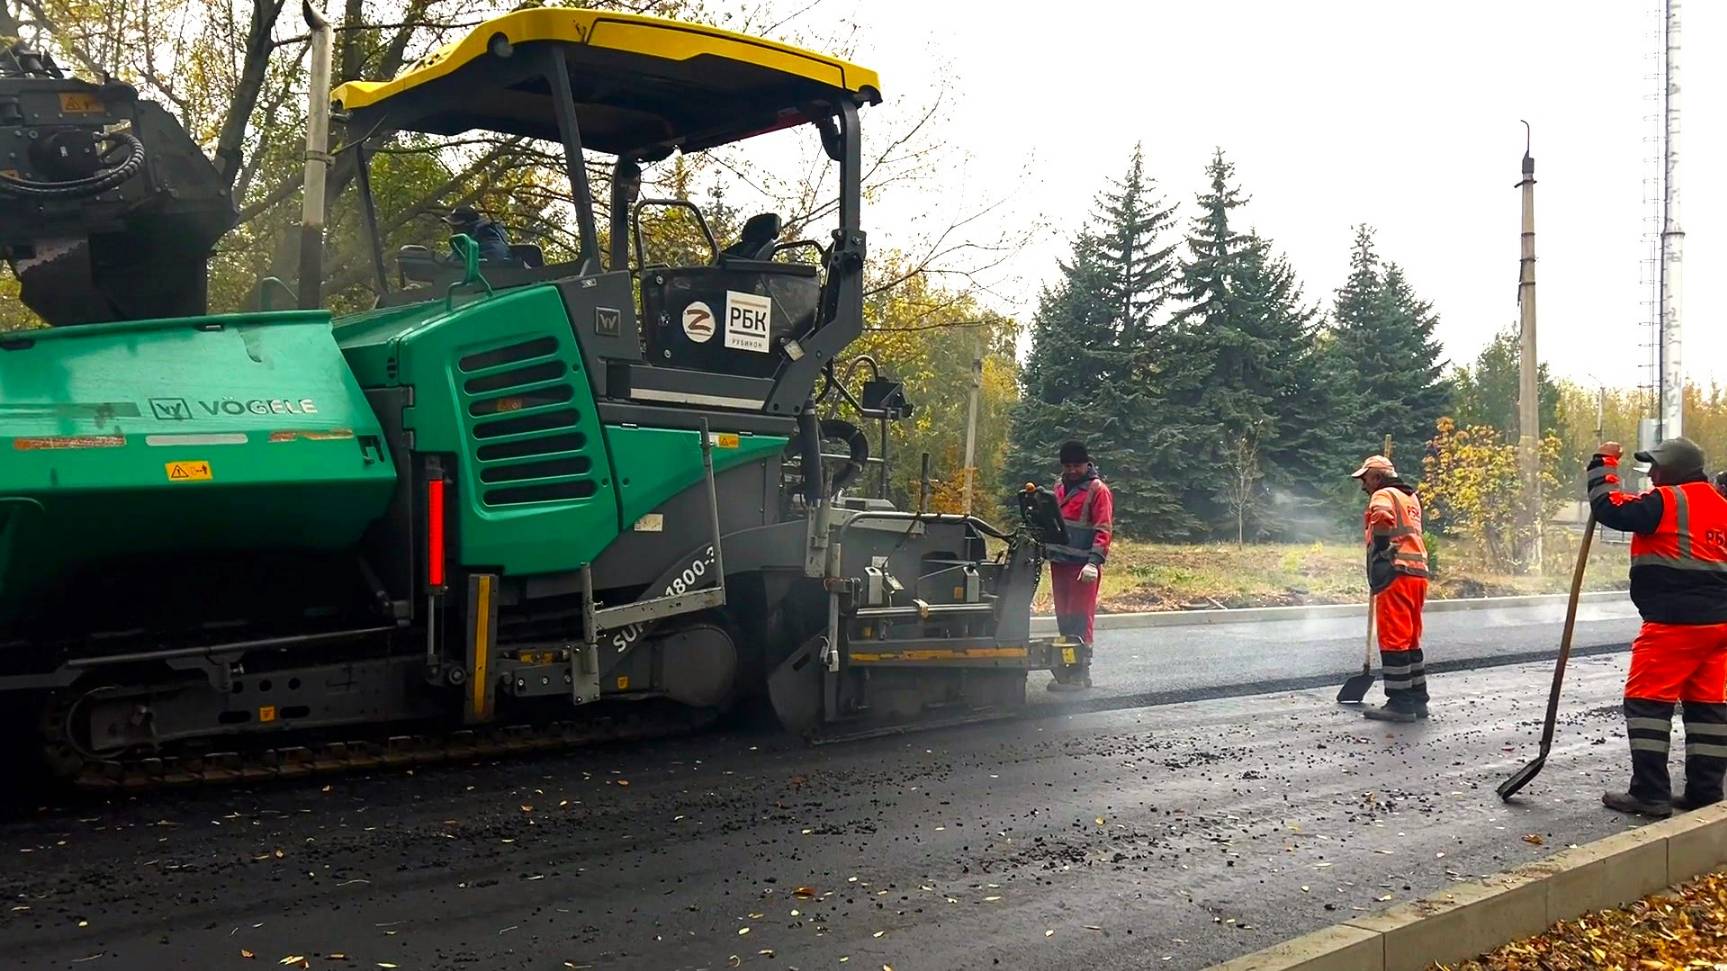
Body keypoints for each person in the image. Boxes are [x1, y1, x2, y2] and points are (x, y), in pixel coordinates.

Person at [1589, 438, 1727, 818]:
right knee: (1707, 707)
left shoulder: (1669, 502)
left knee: (1647, 701)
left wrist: (1603, 463)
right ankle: (1705, 792)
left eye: (1656, 468)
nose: (1651, 475)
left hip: (1675, 623)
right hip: (1719, 627)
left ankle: (1649, 794)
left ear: (1675, 470)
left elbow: (1609, 508)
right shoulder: (1722, 506)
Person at [1352, 454, 1431, 722]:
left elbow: (1382, 517)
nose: (1363, 485)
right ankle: (1418, 701)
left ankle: (1400, 704)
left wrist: (1383, 550)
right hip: (1417, 574)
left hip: (1396, 574)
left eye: (1364, 479)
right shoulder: (1410, 497)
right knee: (1409, 640)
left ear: (1376, 476)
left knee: (1394, 639)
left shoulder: (1383, 494)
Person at [1047, 440, 1112, 692]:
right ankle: (1066, 670)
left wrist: (1094, 562)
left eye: (1077, 465)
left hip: (1082, 568)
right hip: (1061, 563)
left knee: (1080, 619)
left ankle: (1081, 672)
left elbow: (1103, 529)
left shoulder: (1098, 491)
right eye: (1068, 466)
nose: (1072, 470)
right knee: (1064, 618)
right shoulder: (1058, 487)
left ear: (1087, 463)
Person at [442, 205, 513, 263]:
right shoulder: (464, 242)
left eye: (456, 227)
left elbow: (496, 257)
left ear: (468, 225)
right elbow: (454, 259)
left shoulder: (488, 235)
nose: (453, 231)